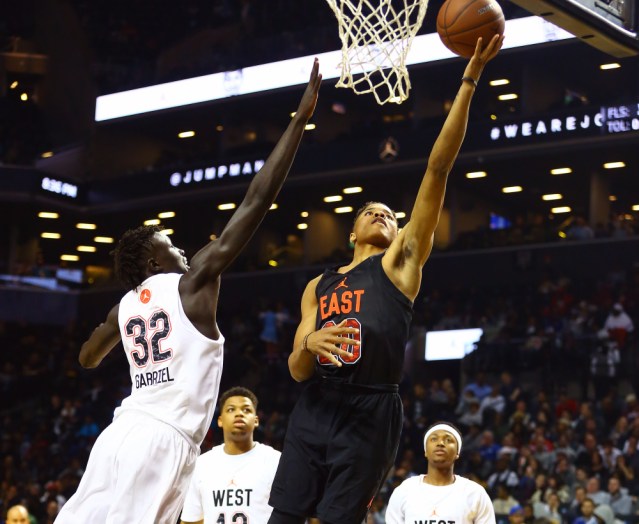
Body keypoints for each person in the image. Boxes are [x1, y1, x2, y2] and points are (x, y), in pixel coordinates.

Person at [54, 60, 322, 524]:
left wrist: (121, 327)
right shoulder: (192, 281)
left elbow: (86, 358)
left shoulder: (122, 308)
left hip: (118, 435)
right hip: (162, 440)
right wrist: (299, 120)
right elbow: (256, 200)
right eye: (171, 245)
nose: (181, 248)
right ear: (155, 262)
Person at [267, 35, 503, 524]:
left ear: (398, 233)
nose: (380, 214)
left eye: (389, 215)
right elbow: (295, 369)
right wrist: (309, 342)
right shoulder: (319, 285)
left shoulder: (400, 264)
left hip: (371, 409)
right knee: (284, 518)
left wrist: (469, 79)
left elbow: (438, 167)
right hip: (315, 405)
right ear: (351, 230)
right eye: (369, 212)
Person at [179, 387, 281, 524]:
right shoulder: (202, 464)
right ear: (220, 420)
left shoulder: (275, 460)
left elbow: (294, 514)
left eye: (246, 410)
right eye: (231, 409)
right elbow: (191, 520)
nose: (239, 414)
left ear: (256, 420)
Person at [385, 422, 495, 523]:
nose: (440, 443)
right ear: (426, 451)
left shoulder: (475, 493)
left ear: (458, 452)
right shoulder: (405, 490)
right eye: (434, 439)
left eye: (448, 440)